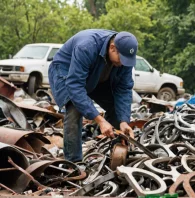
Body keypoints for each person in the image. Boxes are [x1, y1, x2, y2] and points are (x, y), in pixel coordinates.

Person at [48, 29, 138, 162]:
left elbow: (123, 89)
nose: (123, 63)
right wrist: (100, 121)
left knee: (117, 110)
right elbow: (75, 86)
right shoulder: (86, 46)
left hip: (96, 76)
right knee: (75, 108)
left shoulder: (124, 57)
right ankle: (74, 163)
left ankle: (116, 154)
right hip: (66, 73)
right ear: (112, 48)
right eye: (122, 59)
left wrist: (123, 121)